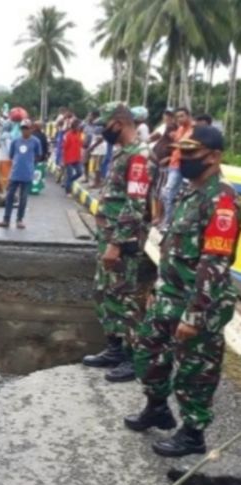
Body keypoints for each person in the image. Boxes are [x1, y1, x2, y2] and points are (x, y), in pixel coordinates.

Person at [128, 126, 239, 457]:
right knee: (147, 352)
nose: (183, 160)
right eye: (182, 153)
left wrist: (194, 314)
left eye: (192, 154)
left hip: (199, 301)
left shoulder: (222, 200)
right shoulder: (190, 192)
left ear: (214, 157)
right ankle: (157, 406)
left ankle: (193, 432)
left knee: (195, 371)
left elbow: (214, 263)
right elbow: (174, 249)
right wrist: (158, 288)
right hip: (170, 295)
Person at [82, 103, 155, 384]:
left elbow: (135, 204)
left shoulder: (140, 155)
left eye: (106, 125)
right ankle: (114, 348)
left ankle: (132, 357)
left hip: (122, 241)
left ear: (121, 122)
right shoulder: (124, 153)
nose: (103, 130)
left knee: (127, 299)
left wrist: (116, 243)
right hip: (109, 236)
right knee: (106, 293)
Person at [0, 120, 42, 229]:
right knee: (10, 196)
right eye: (23, 128)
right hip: (15, 173)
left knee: (23, 198)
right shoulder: (15, 141)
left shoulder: (35, 142)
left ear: (31, 129)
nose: (25, 130)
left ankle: (19, 219)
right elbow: (11, 155)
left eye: (27, 128)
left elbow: (38, 156)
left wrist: (30, 165)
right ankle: (6, 219)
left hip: (27, 174)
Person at [161, 107, 194, 228]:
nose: (179, 119)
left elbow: (185, 145)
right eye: (178, 116)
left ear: (188, 116)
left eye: (182, 116)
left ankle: (168, 222)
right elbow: (177, 144)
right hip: (174, 163)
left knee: (168, 192)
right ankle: (168, 220)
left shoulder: (193, 130)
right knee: (167, 194)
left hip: (183, 165)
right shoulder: (180, 129)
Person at [63, 119, 84, 195]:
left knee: (80, 172)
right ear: (74, 127)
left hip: (77, 158)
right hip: (69, 159)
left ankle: (68, 182)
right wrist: (64, 160)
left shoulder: (79, 134)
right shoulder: (68, 135)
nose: (79, 128)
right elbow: (65, 148)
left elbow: (81, 144)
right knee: (70, 174)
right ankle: (68, 191)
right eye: (78, 126)